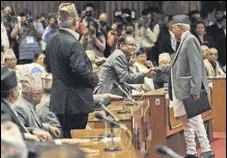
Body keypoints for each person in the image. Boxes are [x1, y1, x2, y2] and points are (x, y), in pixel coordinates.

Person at [154, 15, 215, 158]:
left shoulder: (191, 40)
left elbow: (196, 67)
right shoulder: (183, 41)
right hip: (180, 90)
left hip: (188, 89)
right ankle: (191, 151)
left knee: (195, 120)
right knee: (185, 121)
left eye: (174, 26)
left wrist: (195, 89)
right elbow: (175, 66)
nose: (172, 29)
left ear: (180, 26)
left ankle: (207, 150)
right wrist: (157, 69)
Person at [45, 2, 99, 138]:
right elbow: (80, 71)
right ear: (76, 21)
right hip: (76, 101)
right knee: (76, 140)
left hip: (59, 99)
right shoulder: (73, 43)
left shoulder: (51, 40)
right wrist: (95, 78)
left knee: (68, 139)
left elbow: (48, 67)